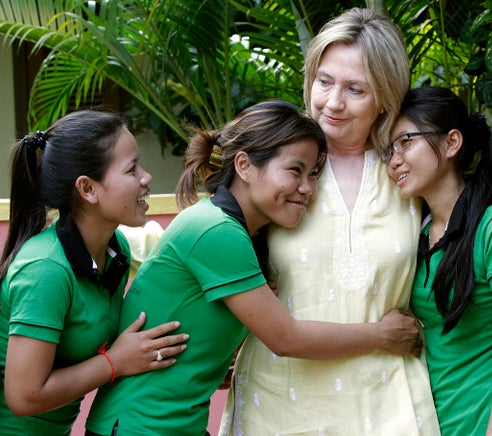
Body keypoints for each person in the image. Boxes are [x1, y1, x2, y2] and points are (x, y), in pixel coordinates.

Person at [84, 99, 422, 435]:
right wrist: (384, 335)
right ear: (244, 166)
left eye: (314, 174)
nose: (308, 188)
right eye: (294, 170)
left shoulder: (234, 232)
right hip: (138, 426)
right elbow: (286, 339)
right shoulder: (215, 230)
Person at [222, 8, 441, 436]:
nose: (333, 102)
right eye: (324, 81)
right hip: (277, 404)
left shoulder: (407, 170)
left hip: (388, 404)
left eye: (355, 89)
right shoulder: (270, 166)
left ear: (385, 98)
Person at [0, 110, 189, 435]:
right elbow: (23, 397)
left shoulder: (115, 251)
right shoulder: (45, 270)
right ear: (88, 189)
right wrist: (115, 363)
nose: (146, 178)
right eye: (132, 169)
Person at [386, 86, 492, 434]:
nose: (394, 160)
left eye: (406, 141)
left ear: (452, 143)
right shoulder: (416, 234)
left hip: (485, 421)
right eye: (389, 149)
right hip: (430, 421)